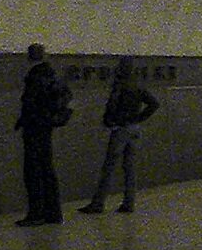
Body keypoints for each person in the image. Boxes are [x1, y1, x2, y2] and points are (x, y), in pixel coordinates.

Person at [79, 59, 155, 214]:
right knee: (130, 168)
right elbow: (154, 104)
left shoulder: (120, 85)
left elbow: (112, 105)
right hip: (134, 129)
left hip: (120, 128)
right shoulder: (138, 85)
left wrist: (109, 120)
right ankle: (129, 202)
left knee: (109, 167)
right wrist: (138, 118)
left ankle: (98, 203)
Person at [14, 43, 70, 225]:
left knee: (33, 171)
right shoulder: (52, 75)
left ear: (29, 57)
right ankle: (53, 213)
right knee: (47, 169)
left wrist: (24, 121)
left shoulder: (35, 76)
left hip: (35, 129)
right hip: (46, 128)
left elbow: (31, 104)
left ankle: (36, 213)